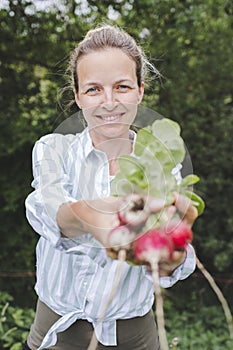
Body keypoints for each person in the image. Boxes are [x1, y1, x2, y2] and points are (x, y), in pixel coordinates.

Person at [23, 24, 197, 350]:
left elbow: (174, 258)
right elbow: (44, 209)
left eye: (122, 86)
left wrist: (170, 256)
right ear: (76, 97)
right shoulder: (53, 149)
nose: (109, 102)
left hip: (135, 335)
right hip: (57, 330)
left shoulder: (161, 163)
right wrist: (92, 218)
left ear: (140, 91)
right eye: (93, 90)